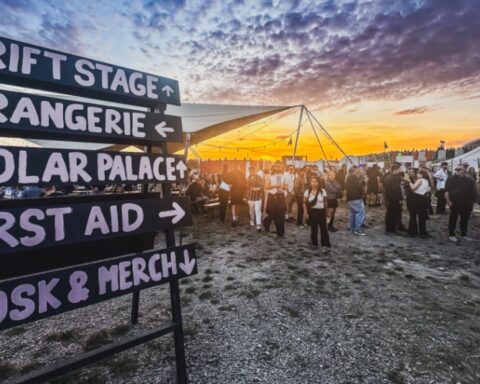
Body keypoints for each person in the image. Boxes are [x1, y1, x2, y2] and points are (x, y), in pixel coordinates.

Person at [445, 166, 477, 243]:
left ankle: (464, 234)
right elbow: (446, 192)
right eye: (456, 169)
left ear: (464, 170)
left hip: (467, 203)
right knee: (453, 218)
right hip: (455, 202)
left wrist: (473, 201)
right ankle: (451, 234)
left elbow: (474, 190)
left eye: (459, 169)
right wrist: (449, 202)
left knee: (465, 219)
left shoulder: (469, 180)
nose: (457, 170)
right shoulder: (450, 179)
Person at [304, 175, 331, 252]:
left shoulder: (323, 191)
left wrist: (328, 212)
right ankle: (314, 244)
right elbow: (304, 203)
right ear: (310, 182)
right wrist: (306, 212)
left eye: (316, 181)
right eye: (312, 181)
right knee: (314, 229)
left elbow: (325, 203)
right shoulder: (307, 191)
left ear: (319, 182)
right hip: (312, 212)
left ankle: (325, 245)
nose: (314, 183)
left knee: (324, 229)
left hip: (321, 211)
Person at [263, 161, 287, 237]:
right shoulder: (269, 175)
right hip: (272, 196)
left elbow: (286, 186)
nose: (278, 168)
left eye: (279, 166)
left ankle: (280, 232)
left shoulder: (284, 175)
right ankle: (266, 223)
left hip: (281, 196)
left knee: (281, 214)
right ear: (274, 167)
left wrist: (282, 187)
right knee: (271, 214)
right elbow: (266, 186)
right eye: (276, 166)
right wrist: (275, 185)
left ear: (281, 167)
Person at [407, 171, 431, 237]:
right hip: (423, 199)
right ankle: (422, 231)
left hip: (415, 198)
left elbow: (413, 189)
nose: (416, 174)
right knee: (422, 216)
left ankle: (413, 231)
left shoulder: (420, 180)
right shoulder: (427, 181)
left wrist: (409, 182)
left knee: (413, 215)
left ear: (421, 174)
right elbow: (428, 190)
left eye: (418, 173)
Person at [346, 166, 366, 236]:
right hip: (356, 198)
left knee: (352, 213)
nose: (358, 171)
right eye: (357, 170)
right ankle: (357, 229)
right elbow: (359, 187)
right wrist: (362, 193)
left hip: (350, 198)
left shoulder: (348, 178)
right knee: (359, 213)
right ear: (354, 171)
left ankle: (352, 228)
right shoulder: (353, 178)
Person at [384, 163, 403, 234]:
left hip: (390, 198)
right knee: (393, 213)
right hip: (394, 199)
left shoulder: (389, 177)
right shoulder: (393, 178)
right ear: (395, 170)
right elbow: (396, 190)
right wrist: (400, 199)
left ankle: (389, 228)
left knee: (389, 213)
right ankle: (391, 228)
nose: (399, 171)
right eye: (398, 169)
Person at [247, 166, 263, 231]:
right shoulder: (248, 178)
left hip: (258, 196)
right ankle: (252, 220)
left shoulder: (259, 177)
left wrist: (258, 188)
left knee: (257, 210)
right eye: (250, 171)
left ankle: (258, 225)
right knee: (251, 210)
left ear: (255, 170)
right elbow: (247, 187)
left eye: (253, 170)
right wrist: (247, 196)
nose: (251, 172)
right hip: (250, 196)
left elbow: (262, 186)